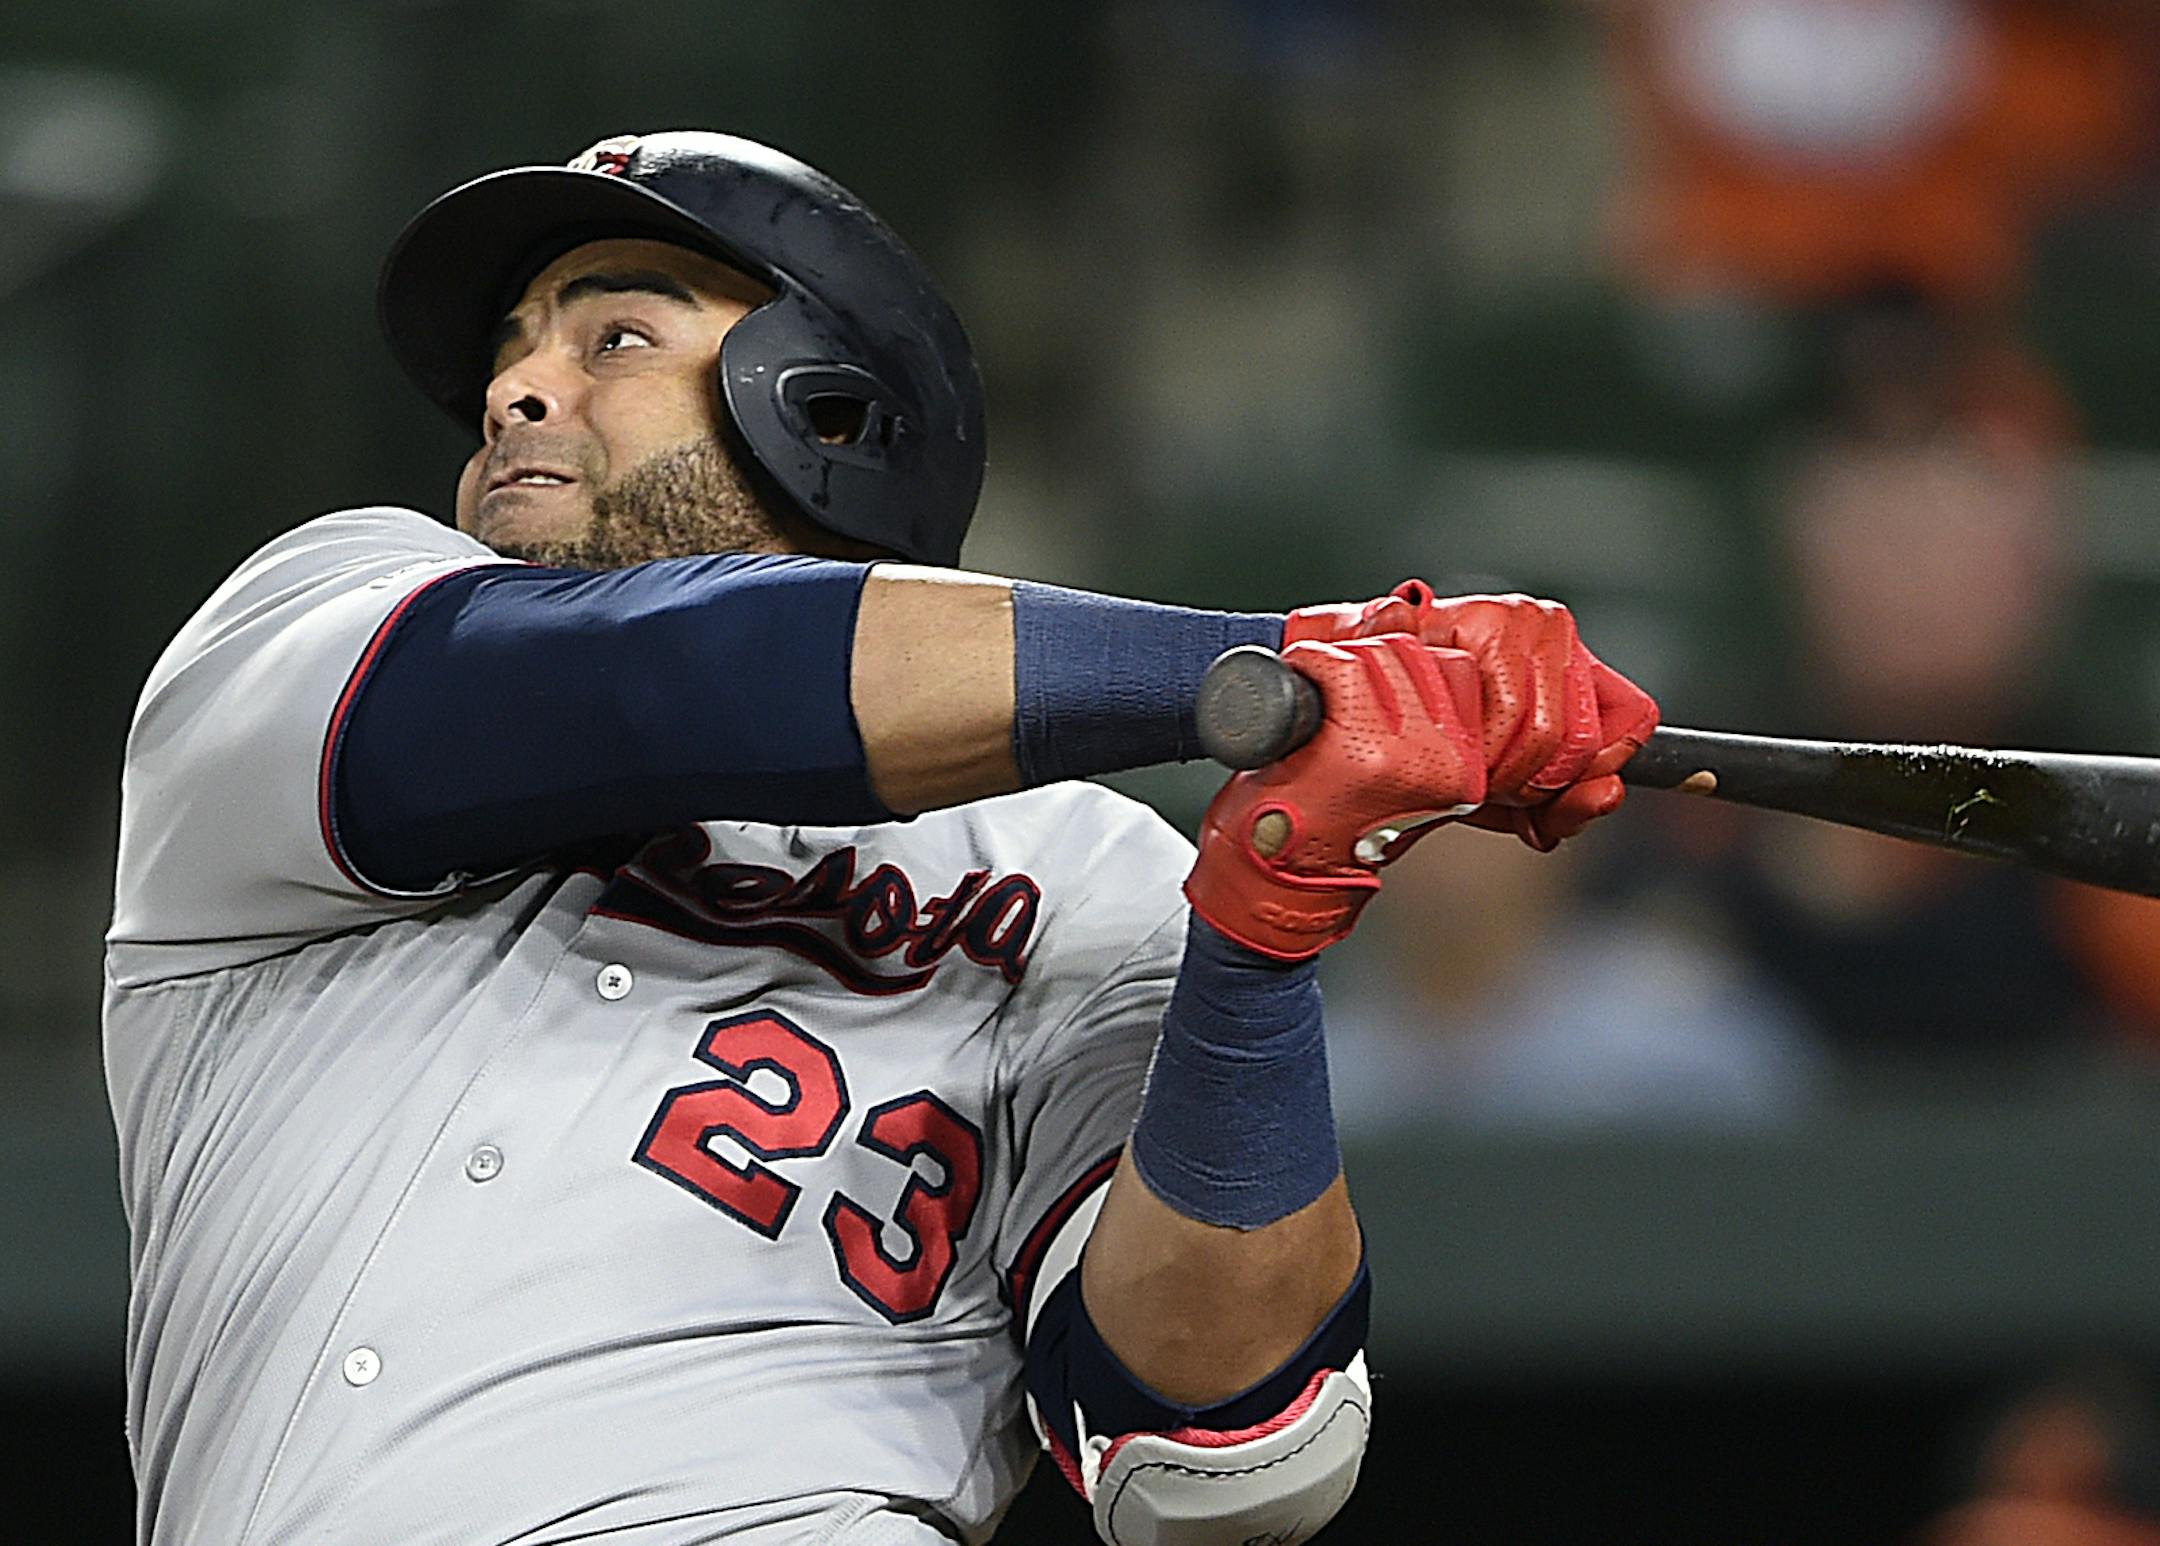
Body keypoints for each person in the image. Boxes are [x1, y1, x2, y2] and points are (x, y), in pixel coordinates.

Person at [101, 131, 1656, 1545]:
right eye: (510, 356)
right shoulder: (311, 624)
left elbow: (1218, 1449)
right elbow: (671, 675)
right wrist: (1279, 672)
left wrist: (1261, 945)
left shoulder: (1081, 868)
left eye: (613, 337)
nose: (514, 391)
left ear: (821, 411)